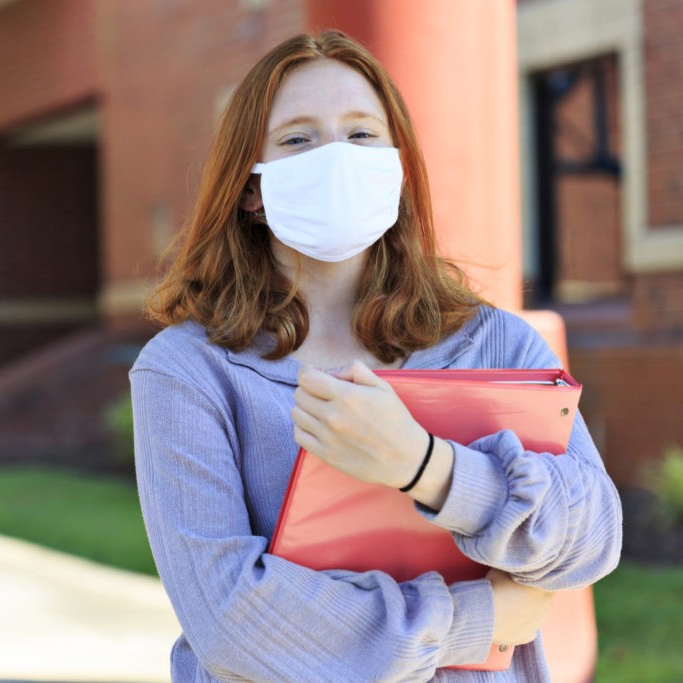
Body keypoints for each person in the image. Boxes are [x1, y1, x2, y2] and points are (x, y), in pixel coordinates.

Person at [129, 29, 622, 682]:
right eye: (299, 138)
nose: (336, 157)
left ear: (395, 166)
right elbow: (231, 622)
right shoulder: (186, 373)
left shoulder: (495, 343)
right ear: (251, 187)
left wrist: (428, 469)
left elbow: (593, 540)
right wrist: (479, 618)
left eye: (361, 135)